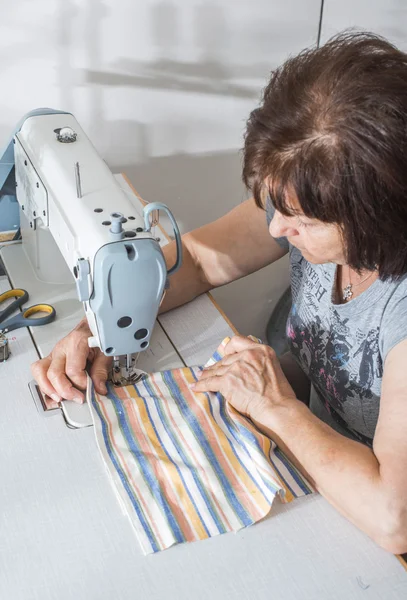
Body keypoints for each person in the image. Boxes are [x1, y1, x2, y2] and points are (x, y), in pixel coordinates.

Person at [32, 31, 407, 554]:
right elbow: (204, 262)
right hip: (319, 451)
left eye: (299, 221)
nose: (276, 230)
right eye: (274, 206)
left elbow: (393, 519)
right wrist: (101, 323)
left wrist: (274, 406)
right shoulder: (305, 190)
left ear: (379, 217)